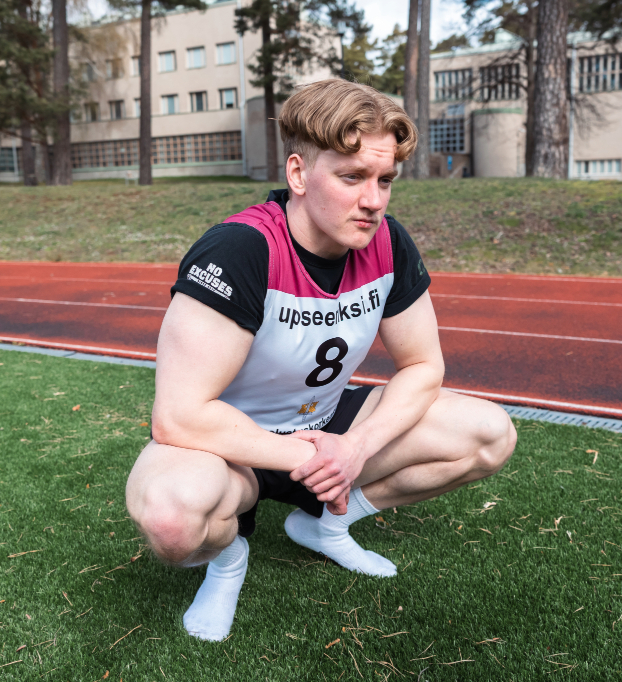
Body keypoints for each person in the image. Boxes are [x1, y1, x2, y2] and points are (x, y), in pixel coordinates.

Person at [125, 79, 518, 641]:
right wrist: (313, 459)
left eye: (385, 180)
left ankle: (327, 526)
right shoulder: (240, 249)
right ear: (299, 174)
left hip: (327, 424)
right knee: (172, 519)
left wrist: (354, 448)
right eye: (352, 177)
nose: (374, 200)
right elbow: (180, 417)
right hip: (229, 446)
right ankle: (228, 558)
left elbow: (423, 366)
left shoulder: (387, 242)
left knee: (488, 434)